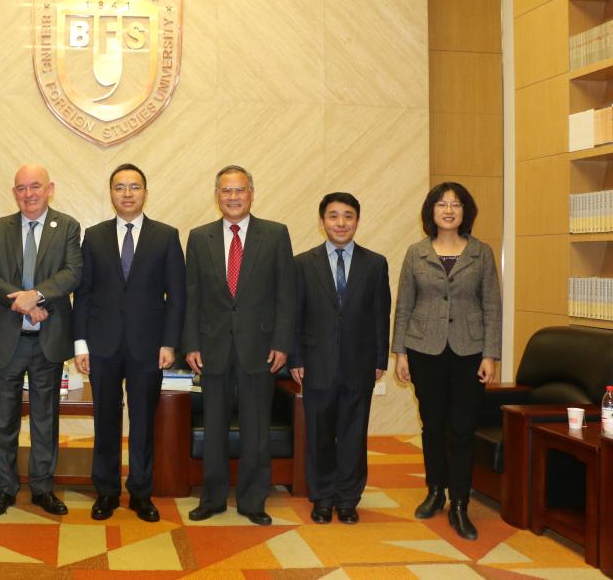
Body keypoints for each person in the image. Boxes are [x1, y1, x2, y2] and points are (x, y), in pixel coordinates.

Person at [181, 165, 296, 526]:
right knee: (214, 428)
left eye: (240, 190)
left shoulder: (275, 234)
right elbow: (191, 296)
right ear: (217, 195)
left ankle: (252, 500)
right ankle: (212, 499)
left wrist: (282, 343)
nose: (233, 197)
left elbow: (286, 294)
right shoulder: (199, 237)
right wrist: (191, 344)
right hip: (212, 349)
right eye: (226, 191)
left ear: (251, 193)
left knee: (256, 429)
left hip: (260, 349)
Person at [73, 163, 185, 522]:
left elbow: (177, 296)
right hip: (102, 345)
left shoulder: (166, 236)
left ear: (145, 193)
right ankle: (106, 492)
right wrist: (80, 345)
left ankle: (140, 493)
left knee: (143, 423)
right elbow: (83, 294)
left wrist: (170, 343)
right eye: (120, 187)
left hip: (148, 347)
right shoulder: (94, 236)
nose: (127, 193)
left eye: (134, 187)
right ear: (111, 193)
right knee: (105, 421)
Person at [392, 181, 500, 541]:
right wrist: (400, 353)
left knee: (463, 429)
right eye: (441, 204)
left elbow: (492, 307)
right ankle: (435, 490)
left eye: (456, 204)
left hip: (470, 352)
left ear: (465, 211)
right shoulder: (416, 253)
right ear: (431, 211)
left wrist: (490, 354)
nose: (449, 210)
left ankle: (460, 504)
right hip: (424, 350)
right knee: (433, 425)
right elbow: (404, 305)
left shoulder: (481, 253)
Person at [0, 164, 82, 517]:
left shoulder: (67, 226)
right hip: (7, 338)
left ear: (50, 188)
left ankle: (42, 489)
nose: (29, 194)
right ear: (14, 193)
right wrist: (20, 302)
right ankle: (4, 488)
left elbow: (72, 273)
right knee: (2, 419)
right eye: (21, 188)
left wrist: (36, 296)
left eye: (35, 186)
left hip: (47, 339)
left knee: (44, 419)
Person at [291, 192, 390, 525]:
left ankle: (348, 499)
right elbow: (295, 315)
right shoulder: (303, 263)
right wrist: (296, 358)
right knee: (318, 434)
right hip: (316, 363)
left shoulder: (375, 263)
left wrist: (380, 359)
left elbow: (381, 314)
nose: (341, 223)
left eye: (348, 216)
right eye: (333, 216)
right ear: (322, 222)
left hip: (359, 363)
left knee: (353, 434)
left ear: (357, 221)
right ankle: (321, 498)